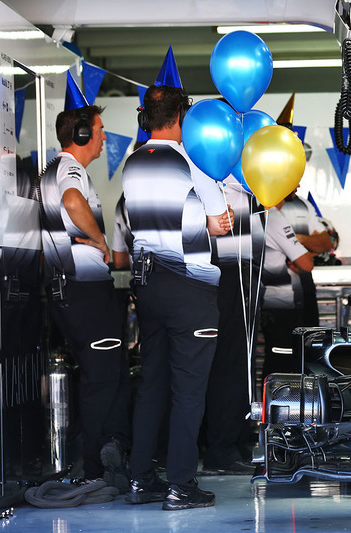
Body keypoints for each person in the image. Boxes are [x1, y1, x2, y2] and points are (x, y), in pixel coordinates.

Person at [122, 83, 233, 509]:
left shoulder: (133, 162)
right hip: (188, 286)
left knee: (152, 384)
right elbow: (220, 225)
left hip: (147, 284)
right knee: (189, 390)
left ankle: (141, 480)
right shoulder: (193, 164)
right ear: (181, 119)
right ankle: (180, 486)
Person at [38, 100, 131, 489]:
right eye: (99, 129)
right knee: (104, 376)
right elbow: (73, 202)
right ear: (81, 135)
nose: (105, 135)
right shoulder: (70, 169)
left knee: (102, 374)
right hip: (84, 288)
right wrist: (99, 241)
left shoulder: (52, 171)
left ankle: (101, 458)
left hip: (68, 288)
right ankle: (97, 465)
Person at [203, 176, 265, 474]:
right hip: (225, 273)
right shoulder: (213, 174)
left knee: (243, 364)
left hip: (247, 272)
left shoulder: (246, 177)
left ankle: (238, 441)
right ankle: (221, 449)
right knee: (227, 365)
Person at [259, 200, 314, 380]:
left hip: (261, 301)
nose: (297, 185)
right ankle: (279, 407)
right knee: (281, 366)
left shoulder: (254, 213)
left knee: (276, 363)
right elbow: (306, 263)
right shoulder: (273, 217)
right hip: (280, 303)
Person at [279, 189, 333, 327]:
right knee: (280, 343)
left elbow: (326, 242)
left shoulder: (303, 204)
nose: (298, 184)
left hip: (304, 282)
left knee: (310, 337)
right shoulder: (260, 205)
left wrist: (300, 239)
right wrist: (307, 243)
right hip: (274, 287)